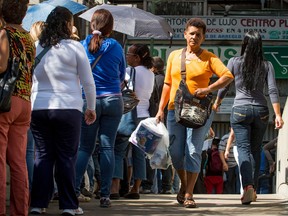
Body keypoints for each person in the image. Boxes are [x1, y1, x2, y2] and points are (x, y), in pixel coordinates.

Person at [155, 17, 234, 208]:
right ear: (185, 34)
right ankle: (183, 183)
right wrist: (160, 109)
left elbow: (228, 76)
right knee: (175, 152)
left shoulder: (209, 57)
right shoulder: (174, 56)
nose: (194, 37)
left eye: (199, 35)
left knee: (193, 150)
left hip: (199, 112)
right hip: (175, 110)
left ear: (203, 37)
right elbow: (167, 84)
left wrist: (208, 90)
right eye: (191, 33)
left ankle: (189, 192)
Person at [29, 6, 96, 215]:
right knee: (67, 157)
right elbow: (88, 82)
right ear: (68, 24)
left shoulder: (37, 47)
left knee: (43, 156)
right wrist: (91, 108)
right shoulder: (75, 48)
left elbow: (30, 79)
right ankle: (68, 205)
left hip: (39, 107)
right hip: (68, 108)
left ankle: (38, 204)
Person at [216, 30, 284, 205]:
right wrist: (278, 115)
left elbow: (224, 86)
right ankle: (252, 190)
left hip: (240, 110)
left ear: (244, 44)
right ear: (259, 45)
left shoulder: (234, 62)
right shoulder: (266, 65)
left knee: (244, 149)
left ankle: (248, 187)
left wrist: (217, 102)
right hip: (261, 111)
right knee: (255, 150)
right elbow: (273, 90)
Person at [75, 8, 126, 208]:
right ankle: (105, 195)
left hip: (89, 102)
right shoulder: (116, 46)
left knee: (85, 148)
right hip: (113, 100)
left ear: (92, 24)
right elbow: (122, 75)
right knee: (107, 147)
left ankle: (73, 190)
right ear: (111, 28)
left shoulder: (81, 45)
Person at [0, 0, 35, 215]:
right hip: (24, 101)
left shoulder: (4, 33)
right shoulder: (28, 38)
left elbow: (2, 65)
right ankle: (20, 210)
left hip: (5, 101)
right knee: (18, 161)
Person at [110, 44, 154, 200]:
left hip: (128, 116)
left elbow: (118, 87)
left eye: (128, 54)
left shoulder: (129, 72)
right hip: (145, 117)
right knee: (139, 154)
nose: (126, 56)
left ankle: (114, 188)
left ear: (137, 57)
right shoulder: (151, 73)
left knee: (118, 151)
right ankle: (136, 188)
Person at [141, 56, 173, 195]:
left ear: (153, 68)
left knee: (150, 151)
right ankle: (167, 187)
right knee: (165, 152)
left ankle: (147, 185)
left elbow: (151, 99)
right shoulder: (168, 80)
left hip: (154, 118)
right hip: (168, 119)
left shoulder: (152, 80)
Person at [218, 128, 240, 194]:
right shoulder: (225, 138)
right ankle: (230, 195)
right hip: (229, 164)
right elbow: (221, 151)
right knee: (229, 181)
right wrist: (224, 163)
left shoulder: (240, 137)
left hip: (238, 163)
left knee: (239, 181)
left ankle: (239, 194)